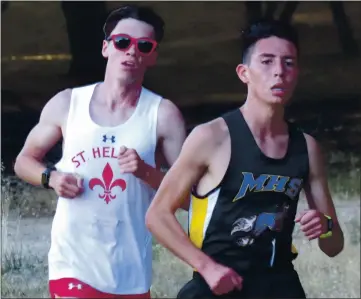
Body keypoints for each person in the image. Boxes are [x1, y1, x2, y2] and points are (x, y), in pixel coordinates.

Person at [145, 19, 345, 298]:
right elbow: (157, 215)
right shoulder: (211, 137)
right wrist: (207, 268)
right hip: (218, 285)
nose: (279, 72)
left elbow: (334, 245)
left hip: (281, 287)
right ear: (244, 73)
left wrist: (325, 226)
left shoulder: (307, 148)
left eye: (289, 63)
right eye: (267, 61)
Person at [14, 4, 186, 299]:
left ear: (153, 56)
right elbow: (24, 161)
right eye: (122, 42)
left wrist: (146, 172)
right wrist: (51, 178)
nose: (131, 51)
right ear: (106, 48)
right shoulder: (68, 103)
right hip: (72, 264)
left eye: (143, 45)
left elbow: (189, 196)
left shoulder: (163, 115)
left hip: (130, 269)